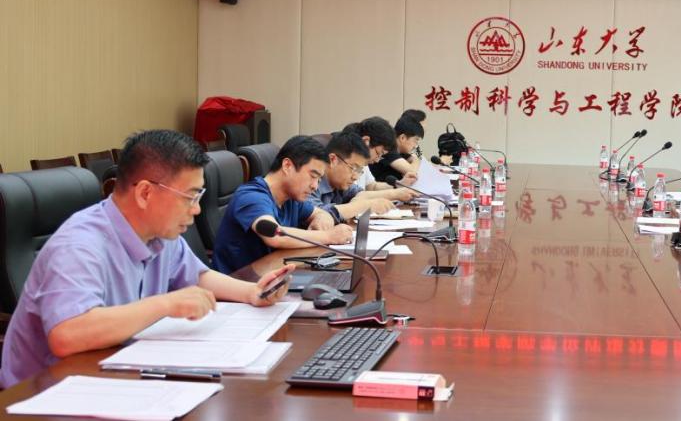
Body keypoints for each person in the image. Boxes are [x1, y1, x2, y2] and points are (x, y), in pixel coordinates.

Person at [0, 130, 294, 388]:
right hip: (45, 392)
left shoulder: (159, 234)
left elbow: (198, 276)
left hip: (114, 371)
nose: (196, 210)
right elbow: (67, 335)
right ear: (144, 193)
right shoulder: (80, 244)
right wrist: (165, 304)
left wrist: (252, 292)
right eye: (190, 197)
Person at [213, 135, 353, 274]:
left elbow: (320, 213)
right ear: (287, 166)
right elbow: (275, 236)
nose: (315, 186)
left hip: (273, 274)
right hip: (238, 281)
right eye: (313, 176)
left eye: (319, 179)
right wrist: (328, 236)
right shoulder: (251, 196)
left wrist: (321, 219)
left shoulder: (291, 198)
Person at [310, 131, 396, 220]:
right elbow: (317, 215)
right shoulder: (311, 182)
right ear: (333, 159)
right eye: (353, 168)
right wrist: (364, 206)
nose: (355, 177)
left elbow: (360, 193)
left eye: (359, 170)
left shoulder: (339, 183)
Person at [343, 119, 416, 202]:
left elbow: (372, 186)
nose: (377, 160)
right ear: (366, 141)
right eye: (378, 153)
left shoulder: (364, 162)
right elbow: (355, 196)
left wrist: (399, 185)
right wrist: (394, 194)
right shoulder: (346, 161)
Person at [368, 116, 424, 183]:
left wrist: (415, 159)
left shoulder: (402, 151)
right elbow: (413, 173)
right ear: (402, 138)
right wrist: (416, 159)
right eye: (415, 140)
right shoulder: (388, 149)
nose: (416, 146)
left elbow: (416, 162)